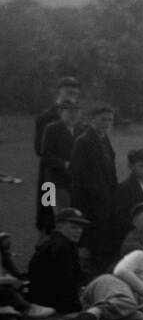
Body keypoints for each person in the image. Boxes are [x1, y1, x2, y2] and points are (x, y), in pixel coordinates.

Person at [69, 103, 118, 271]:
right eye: (103, 119)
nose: (107, 123)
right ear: (92, 120)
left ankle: (99, 267)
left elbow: (110, 169)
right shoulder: (83, 142)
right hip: (89, 200)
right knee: (88, 237)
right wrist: (96, 194)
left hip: (105, 198)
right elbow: (78, 174)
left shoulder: (104, 140)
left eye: (110, 120)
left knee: (102, 235)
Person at [33, 77, 81, 234]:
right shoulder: (46, 117)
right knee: (49, 209)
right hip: (50, 173)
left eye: (74, 93)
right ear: (58, 92)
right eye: (68, 92)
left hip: (71, 175)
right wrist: (63, 163)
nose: (70, 96)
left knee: (69, 211)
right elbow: (40, 150)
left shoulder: (76, 117)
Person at [26, 208, 90, 315]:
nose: (79, 231)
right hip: (50, 301)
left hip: (43, 297)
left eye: (80, 228)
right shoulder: (62, 245)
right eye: (74, 227)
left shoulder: (58, 241)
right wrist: (76, 305)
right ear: (59, 226)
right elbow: (65, 279)